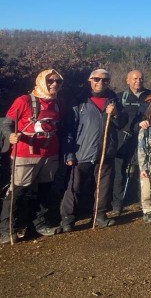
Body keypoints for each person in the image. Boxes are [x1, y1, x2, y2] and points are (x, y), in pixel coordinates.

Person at [1, 69, 65, 244]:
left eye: (58, 82)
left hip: (50, 154)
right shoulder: (23, 101)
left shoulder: (57, 103)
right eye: (50, 81)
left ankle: (39, 224)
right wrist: (10, 136)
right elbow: (6, 122)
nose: (54, 84)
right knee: (17, 192)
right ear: (41, 81)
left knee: (45, 191)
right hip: (24, 154)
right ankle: (7, 230)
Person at [60, 69, 127, 231]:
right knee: (74, 186)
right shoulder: (80, 99)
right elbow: (70, 127)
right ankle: (68, 219)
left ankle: (99, 216)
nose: (100, 83)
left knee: (103, 186)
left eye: (105, 80)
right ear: (90, 80)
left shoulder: (113, 99)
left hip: (105, 151)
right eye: (97, 79)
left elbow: (122, 123)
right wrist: (69, 152)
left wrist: (116, 114)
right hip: (81, 151)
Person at [111, 70, 151, 215]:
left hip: (144, 138)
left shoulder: (150, 96)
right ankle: (117, 204)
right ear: (127, 80)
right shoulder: (120, 97)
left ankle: (145, 202)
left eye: (141, 78)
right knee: (119, 172)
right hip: (123, 138)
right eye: (134, 79)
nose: (138, 81)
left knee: (143, 170)